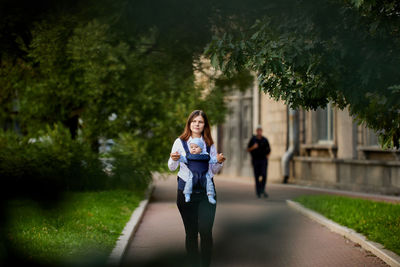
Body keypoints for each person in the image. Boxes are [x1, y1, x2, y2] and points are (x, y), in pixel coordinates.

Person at [168, 110, 226, 267]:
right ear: (189, 123)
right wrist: (173, 158)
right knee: (191, 233)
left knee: (206, 233)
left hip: (207, 193)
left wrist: (219, 161)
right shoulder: (179, 142)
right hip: (185, 193)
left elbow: (214, 170)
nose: (197, 124)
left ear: (205, 125)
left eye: (200, 122)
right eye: (194, 121)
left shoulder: (209, 144)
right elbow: (172, 167)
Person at [177, 137, 218, 204]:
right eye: (191, 147)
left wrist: (218, 159)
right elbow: (182, 159)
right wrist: (178, 156)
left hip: (204, 174)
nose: (193, 148)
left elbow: (212, 160)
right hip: (193, 173)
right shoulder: (189, 157)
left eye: (196, 147)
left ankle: (210, 196)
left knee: (209, 184)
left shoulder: (205, 156)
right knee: (189, 183)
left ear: (201, 148)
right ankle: (187, 195)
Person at [247, 125, 271, 198]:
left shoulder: (265, 140)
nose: (259, 132)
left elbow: (269, 149)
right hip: (255, 160)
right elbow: (248, 149)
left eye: (260, 130)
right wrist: (253, 147)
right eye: (258, 130)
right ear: (256, 131)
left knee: (264, 175)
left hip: (263, 160)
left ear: (261, 131)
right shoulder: (253, 140)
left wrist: (267, 156)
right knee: (257, 176)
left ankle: (262, 189)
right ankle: (258, 192)